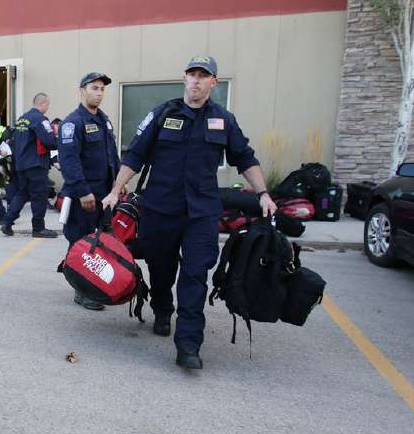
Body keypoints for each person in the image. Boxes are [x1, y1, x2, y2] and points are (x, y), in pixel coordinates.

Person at [102, 55, 276, 370]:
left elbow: (245, 158)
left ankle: (189, 345)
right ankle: (163, 308)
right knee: (161, 267)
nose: (196, 80)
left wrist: (262, 192)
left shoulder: (224, 120)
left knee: (195, 275)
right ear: (184, 79)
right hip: (160, 209)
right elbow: (136, 155)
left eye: (203, 75)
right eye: (192, 74)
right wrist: (116, 189)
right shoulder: (163, 114)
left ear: (214, 82)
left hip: (202, 212)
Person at [58, 72, 120, 311]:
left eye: (102, 89)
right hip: (84, 196)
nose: (99, 93)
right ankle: (81, 290)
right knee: (79, 241)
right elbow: (69, 160)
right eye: (94, 88)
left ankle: (92, 283)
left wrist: (117, 185)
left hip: (104, 194)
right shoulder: (73, 123)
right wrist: (83, 192)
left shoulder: (104, 121)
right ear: (82, 90)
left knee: (99, 242)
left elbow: (111, 155)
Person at [1, 92, 58, 238]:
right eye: (48, 104)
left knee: (22, 193)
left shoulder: (22, 119)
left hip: (21, 165)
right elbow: (50, 141)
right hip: (36, 164)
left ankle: (7, 222)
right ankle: (38, 229)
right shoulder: (40, 119)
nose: (48, 107)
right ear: (43, 104)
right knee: (39, 196)